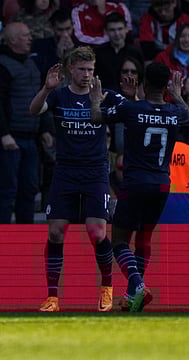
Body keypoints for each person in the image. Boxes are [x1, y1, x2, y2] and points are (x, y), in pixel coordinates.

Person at [90, 64, 189, 311]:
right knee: (144, 238)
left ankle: (136, 284)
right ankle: (132, 295)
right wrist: (177, 94)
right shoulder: (174, 111)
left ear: (144, 84)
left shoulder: (131, 108)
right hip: (161, 184)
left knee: (119, 241)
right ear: (166, 86)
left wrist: (95, 100)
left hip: (135, 183)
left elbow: (96, 117)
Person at [29, 46, 124, 312]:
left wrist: (129, 97)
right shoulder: (59, 96)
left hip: (95, 172)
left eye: (90, 70)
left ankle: (106, 288)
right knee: (56, 231)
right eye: (82, 69)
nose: (86, 75)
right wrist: (46, 88)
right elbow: (34, 110)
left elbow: (130, 107)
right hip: (66, 172)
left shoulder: (103, 95)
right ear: (70, 69)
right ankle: (52, 297)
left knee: (97, 231)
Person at [0, 22, 54, 224]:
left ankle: (25, 235)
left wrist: (45, 128)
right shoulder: (3, 65)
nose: (30, 38)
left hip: (31, 137)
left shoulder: (31, 63)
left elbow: (41, 97)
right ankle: (3, 237)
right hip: (10, 139)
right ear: (12, 40)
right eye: (25, 35)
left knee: (30, 188)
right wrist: (3, 133)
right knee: (7, 190)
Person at [93, 12, 144, 92]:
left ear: (126, 29)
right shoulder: (97, 52)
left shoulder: (135, 52)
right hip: (104, 96)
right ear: (106, 31)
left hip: (129, 96)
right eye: (112, 30)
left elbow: (141, 79)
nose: (117, 34)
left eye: (120, 29)